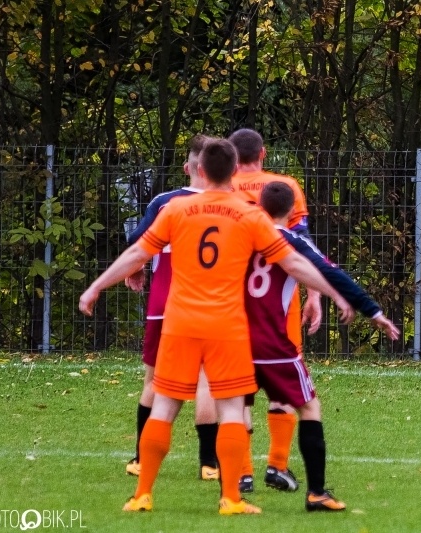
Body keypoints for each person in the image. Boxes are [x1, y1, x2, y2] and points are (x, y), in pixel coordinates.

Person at [78, 137, 355, 515]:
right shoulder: (249, 213)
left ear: (200, 170)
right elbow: (295, 263)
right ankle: (231, 498)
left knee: (164, 405)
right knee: (230, 410)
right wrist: (334, 293)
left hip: (179, 323)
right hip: (227, 326)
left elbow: (137, 253)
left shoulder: (176, 208)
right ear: (236, 170)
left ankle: (142, 494)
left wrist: (96, 286)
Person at [250, 181, 400, 511]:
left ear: (259, 205)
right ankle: (316, 492)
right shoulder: (289, 240)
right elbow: (331, 272)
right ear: (291, 211)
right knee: (308, 407)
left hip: (233, 338)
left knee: (234, 409)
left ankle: (233, 487)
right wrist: (370, 309)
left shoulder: (241, 234)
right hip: (272, 342)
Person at [227, 128, 319, 494]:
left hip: (233, 306)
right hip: (278, 308)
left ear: (232, 158)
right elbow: (304, 247)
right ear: (263, 153)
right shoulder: (285, 186)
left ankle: (242, 472)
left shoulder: (222, 191)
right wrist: (315, 294)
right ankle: (277, 466)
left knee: (237, 392)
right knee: (284, 386)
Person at [123, 135, 218, 481]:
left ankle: (139, 458)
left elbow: (138, 244)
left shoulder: (165, 203)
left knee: (155, 381)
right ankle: (210, 463)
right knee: (207, 382)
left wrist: (134, 270)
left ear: (187, 167)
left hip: (165, 305)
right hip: (210, 307)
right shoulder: (229, 204)